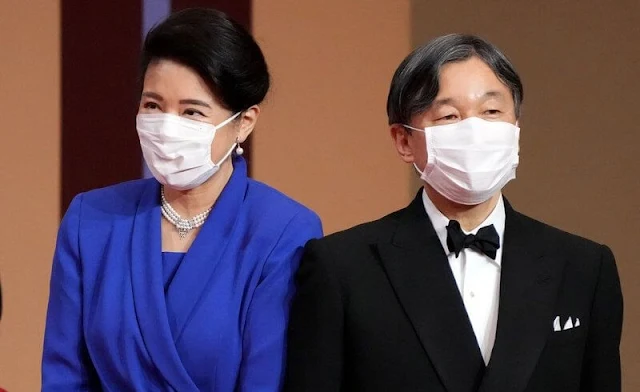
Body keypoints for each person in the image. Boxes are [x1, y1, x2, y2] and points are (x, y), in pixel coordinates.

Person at [285, 34, 623, 392]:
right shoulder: (343, 267)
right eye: (449, 115)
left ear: (516, 127)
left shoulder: (584, 267)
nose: (475, 131)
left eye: (492, 111)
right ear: (403, 140)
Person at [42, 8, 322, 391]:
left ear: (244, 122)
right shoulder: (89, 220)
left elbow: (267, 380)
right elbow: (64, 376)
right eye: (153, 106)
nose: (167, 125)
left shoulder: (282, 231)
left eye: (192, 112)